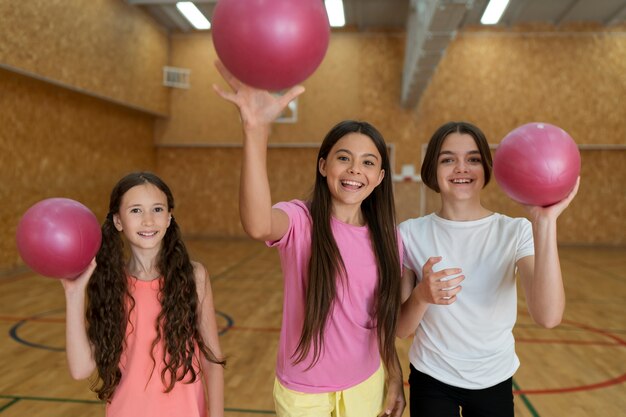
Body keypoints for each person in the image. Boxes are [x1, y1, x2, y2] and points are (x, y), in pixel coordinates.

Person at [213, 61, 405, 417]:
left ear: (379, 177)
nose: (354, 170)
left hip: (366, 384)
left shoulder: (390, 238)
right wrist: (256, 131)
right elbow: (257, 224)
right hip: (304, 393)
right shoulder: (300, 221)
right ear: (323, 166)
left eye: (367, 163)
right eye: (343, 158)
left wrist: (394, 376)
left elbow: (383, 318)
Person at [397, 121, 579, 417]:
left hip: (494, 378)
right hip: (431, 378)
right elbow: (401, 329)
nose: (461, 168)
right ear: (432, 168)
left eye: (473, 159)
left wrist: (544, 222)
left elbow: (548, 317)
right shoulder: (409, 233)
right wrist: (421, 296)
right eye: (447, 159)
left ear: (487, 169)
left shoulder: (515, 231)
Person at [61, 172, 225, 417]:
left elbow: (213, 360)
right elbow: (80, 369)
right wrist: (73, 296)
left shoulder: (194, 276)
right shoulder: (109, 283)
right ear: (118, 221)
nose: (148, 220)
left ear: (169, 217)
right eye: (136, 211)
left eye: (157, 209)